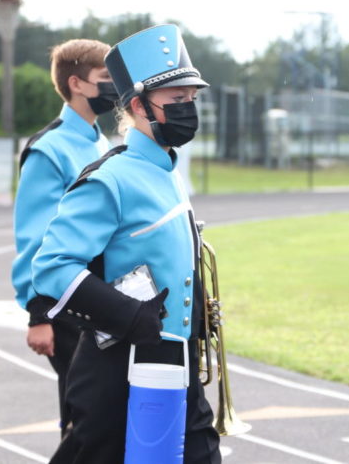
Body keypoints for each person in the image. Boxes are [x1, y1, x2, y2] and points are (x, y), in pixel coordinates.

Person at [31, 24, 221, 463]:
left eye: (191, 99)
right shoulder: (111, 178)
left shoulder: (166, 171)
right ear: (138, 105)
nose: (188, 109)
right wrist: (127, 315)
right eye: (176, 101)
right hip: (121, 373)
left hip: (176, 365)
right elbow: (53, 265)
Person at [11, 38, 115, 433]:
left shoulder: (101, 143)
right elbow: (35, 238)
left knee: (99, 421)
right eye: (105, 78)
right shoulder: (48, 150)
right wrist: (39, 314)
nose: (115, 87)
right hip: (66, 305)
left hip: (100, 299)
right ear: (77, 83)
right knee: (84, 422)